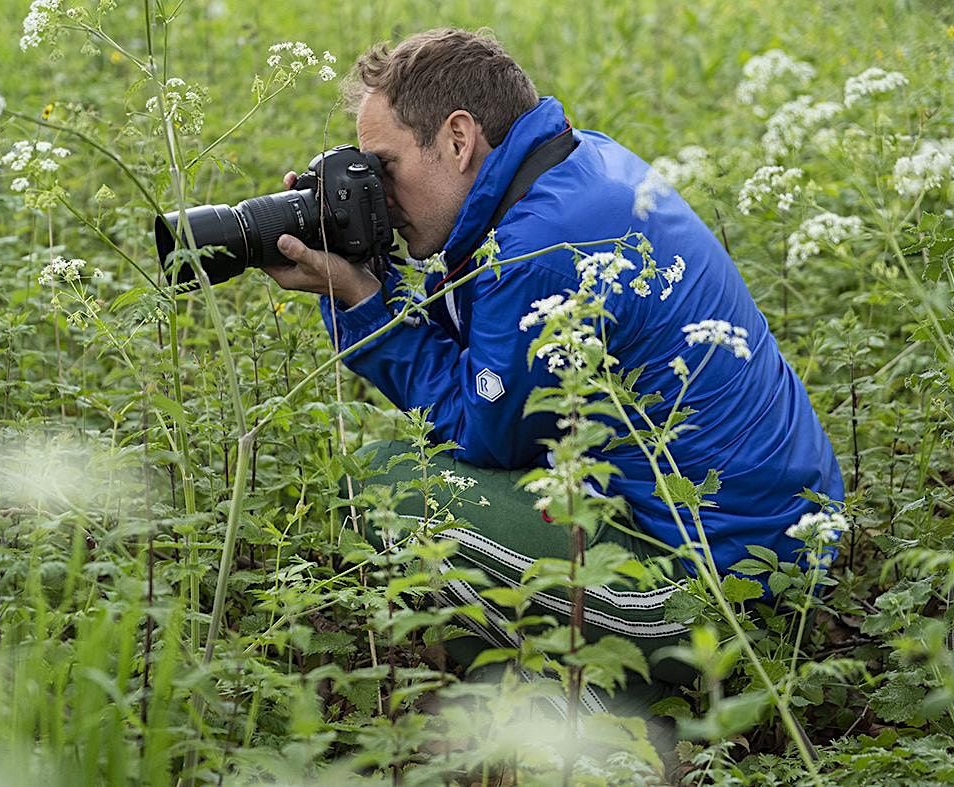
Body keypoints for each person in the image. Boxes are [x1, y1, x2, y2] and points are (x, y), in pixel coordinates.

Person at [264, 28, 844, 720]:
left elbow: (486, 437)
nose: (377, 194)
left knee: (395, 490)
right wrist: (377, 267)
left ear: (457, 139)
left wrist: (359, 300)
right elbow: (499, 370)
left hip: (724, 591)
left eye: (383, 168)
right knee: (436, 483)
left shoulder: (538, 249)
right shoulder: (576, 165)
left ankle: (618, 697)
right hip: (783, 541)